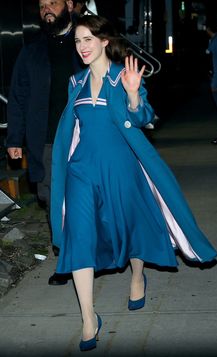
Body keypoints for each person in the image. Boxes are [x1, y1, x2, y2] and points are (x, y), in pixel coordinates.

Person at [50, 15, 217, 352]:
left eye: (88, 40)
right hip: (82, 173)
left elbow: (143, 118)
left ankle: (138, 275)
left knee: (131, 226)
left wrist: (133, 96)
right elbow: (71, 131)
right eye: (78, 41)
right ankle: (88, 318)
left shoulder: (124, 75)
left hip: (122, 168)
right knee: (79, 236)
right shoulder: (75, 82)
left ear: (103, 41)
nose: (82, 47)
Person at [6, 0, 83, 286]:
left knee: (85, 200)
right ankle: (65, 257)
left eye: (53, 2)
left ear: (70, 5)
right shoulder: (32, 51)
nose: (47, 8)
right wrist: (15, 138)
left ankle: (84, 255)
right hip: (47, 141)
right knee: (52, 201)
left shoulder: (86, 42)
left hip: (84, 138)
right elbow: (18, 96)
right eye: (41, 5)